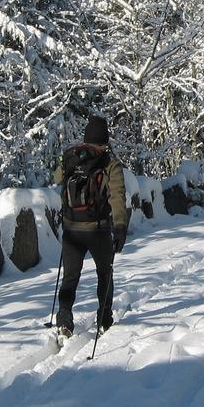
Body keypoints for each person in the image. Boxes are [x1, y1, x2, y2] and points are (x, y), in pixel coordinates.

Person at [52, 115, 128, 338]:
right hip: (98, 230)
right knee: (105, 273)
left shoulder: (71, 157)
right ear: (105, 139)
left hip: (71, 229)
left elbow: (57, 178)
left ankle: (64, 318)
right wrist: (120, 227)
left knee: (70, 277)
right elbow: (117, 196)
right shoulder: (110, 164)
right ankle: (104, 317)